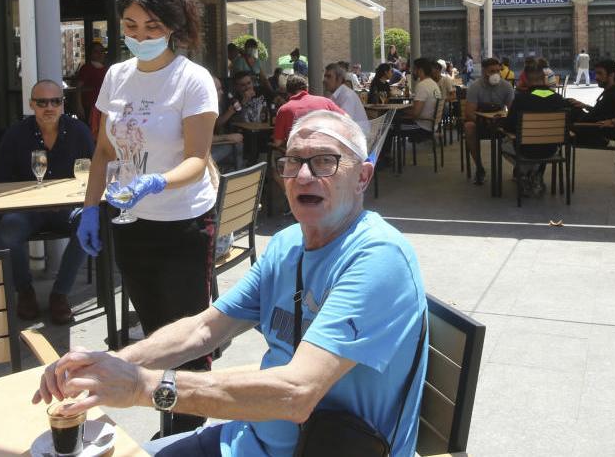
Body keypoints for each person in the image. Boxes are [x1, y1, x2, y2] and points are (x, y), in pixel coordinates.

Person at [35, 111, 427, 456]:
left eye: (325, 162)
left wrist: (141, 387)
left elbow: (297, 393)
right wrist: (112, 364)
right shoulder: (288, 245)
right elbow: (205, 328)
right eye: (293, 162)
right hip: (246, 438)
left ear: (363, 177)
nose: (304, 176)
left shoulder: (377, 259)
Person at [74, 0, 219, 435]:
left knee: (189, 344)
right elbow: (104, 151)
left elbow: (198, 158)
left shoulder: (192, 80)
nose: (140, 37)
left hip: (183, 223)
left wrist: (155, 181)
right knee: (156, 335)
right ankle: (171, 423)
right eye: (131, 26)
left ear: (173, 27)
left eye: (152, 27)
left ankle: (188, 433)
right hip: (130, 222)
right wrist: (92, 206)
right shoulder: (117, 76)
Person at [0, 80, 95, 324]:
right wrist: (32, 199)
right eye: (42, 102)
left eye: (55, 101)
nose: (49, 107)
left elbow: (93, 171)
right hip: (29, 210)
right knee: (9, 228)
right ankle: (24, 291)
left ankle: (60, 294)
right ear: (31, 105)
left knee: (88, 223)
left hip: (67, 208)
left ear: (62, 104)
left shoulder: (78, 131)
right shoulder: (16, 134)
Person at [503, 68, 575, 196]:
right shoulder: (558, 99)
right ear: (544, 80)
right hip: (551, 149)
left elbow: (508, 126)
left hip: (525, 150)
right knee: (541, 143)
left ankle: (524, 174)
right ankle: (535, 174)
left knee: (504, 144)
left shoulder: (521, 99)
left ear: (526, 81)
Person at [463, 57, 515, 185]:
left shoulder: (506, 86)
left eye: (498, 71)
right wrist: (482, 121)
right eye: (492, 71)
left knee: (519, 127)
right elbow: (469, 113)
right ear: (484, 71)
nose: (496, 74)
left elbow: (513, 111)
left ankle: (518, 168)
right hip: (481, 123)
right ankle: (480, 168)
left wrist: (506, 121)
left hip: (500, 124)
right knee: (469, 127)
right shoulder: (475, 87)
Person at [570, 59, 615, 147]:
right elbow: (602, 112)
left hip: (597, 135)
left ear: (611, 75)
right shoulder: (609, 92)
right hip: (589, 127)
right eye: (596, 73)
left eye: (600, 73)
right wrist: (585, 106)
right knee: (568, 105)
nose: (596, 77)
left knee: (560, 127)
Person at [272, 74, 344, 149]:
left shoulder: (284, 110)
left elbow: (277, 142)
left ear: (288, 93)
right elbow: (346, 119)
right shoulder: (326, 101)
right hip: (327, 153)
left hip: (299, 156)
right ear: (306, 89)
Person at [398, 58, 442, 134]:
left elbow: (416, 113)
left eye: (414, 68)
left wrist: (399, 111)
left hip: (422, 127)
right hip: (432, 125)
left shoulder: (422, 85)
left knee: (390, 127)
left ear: (420, 70)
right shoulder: (434, 84)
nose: (413, 71)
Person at [210, 75, 244, 173]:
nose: (222, 92)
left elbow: (217, 124)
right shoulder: (199, 111)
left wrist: (231, 111)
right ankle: (239, 177)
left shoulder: (214, 106)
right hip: (199, 157)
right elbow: (202, 139)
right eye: (218, 89)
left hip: (208, 148)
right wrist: (228, 137)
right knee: (237, 146)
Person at [323, 62, 368, 131]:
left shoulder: (347, 96)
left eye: (329, 76)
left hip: (358, 138)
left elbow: (344, 123)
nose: (324, 80)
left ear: (339, 79)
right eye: (325, 76)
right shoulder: (335, 95)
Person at [74, 41, 109, 125]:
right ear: (90, 54)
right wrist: (79, 106)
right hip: (89, 107)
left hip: (103, 108)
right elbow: (78, 88)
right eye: (96, 51)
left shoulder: (107, 69)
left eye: (102, 51)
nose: (100, 54)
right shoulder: (86, 68)